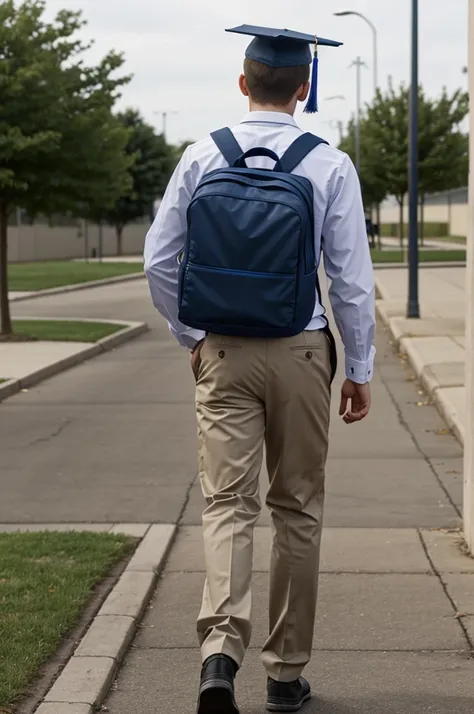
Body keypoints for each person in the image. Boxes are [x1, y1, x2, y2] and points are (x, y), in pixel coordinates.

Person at [144, 23, 375, 714]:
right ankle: (283, 673)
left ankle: (220, 652)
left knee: (227, 505)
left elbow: (158, 262)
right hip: (302, 352)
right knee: (296, 508)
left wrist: (192, 333)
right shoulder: (329, 164)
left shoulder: (200, 157)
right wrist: (358, 367)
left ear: (243, 83)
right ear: (302, 89)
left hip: (223, 353)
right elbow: (352, 281)